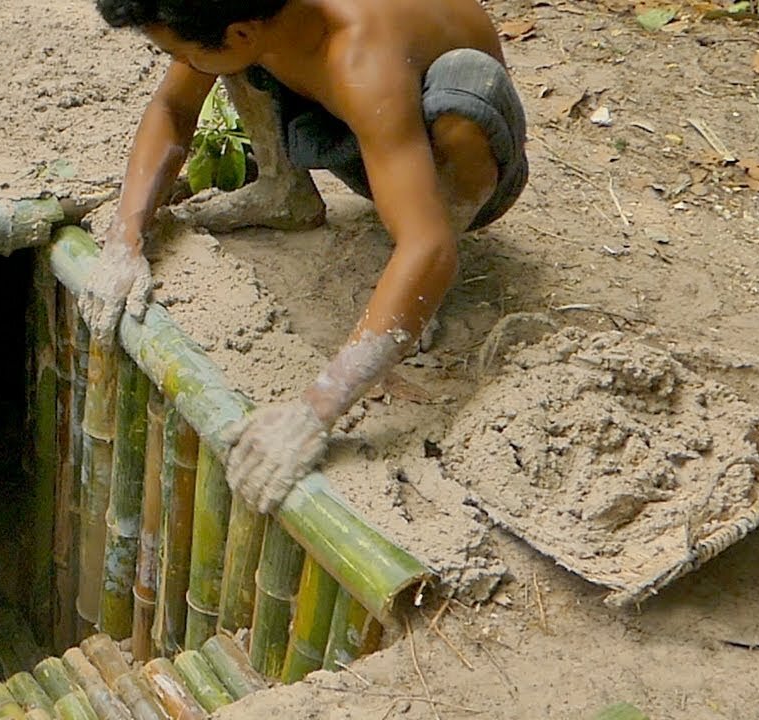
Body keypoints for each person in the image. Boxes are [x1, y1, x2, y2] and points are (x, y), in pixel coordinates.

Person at [79, 0, 528, 513]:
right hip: (362, 122)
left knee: (466, 94)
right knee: (215, 56)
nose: (172, 59)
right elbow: (173, 109)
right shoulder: (256, 18)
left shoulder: (363, 61)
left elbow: (427, 243)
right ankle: (284, 191)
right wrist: (125, 239)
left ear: (242, 31)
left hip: (455, 143)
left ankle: (422, 282)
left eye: (169, 49)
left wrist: (314, 412)